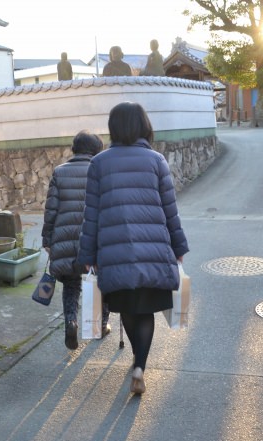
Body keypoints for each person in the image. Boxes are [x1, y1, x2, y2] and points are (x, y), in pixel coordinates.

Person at [77, 102, 189, 395]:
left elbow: (92, 214)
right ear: (143, 125)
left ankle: (136, 361)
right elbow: (170, 211)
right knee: (147, 311)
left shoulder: (98, 163)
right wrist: (178, 247)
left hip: (115, 254)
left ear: (113, 128)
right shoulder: (156, 160)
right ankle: (140, 364)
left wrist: (87, 256)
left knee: (127, 308)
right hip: (153, 252)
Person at [41, 130, 110, 350]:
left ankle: (71, 322)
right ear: (97, 149)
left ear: (74, 149)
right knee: (100, 282)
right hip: (96, 240)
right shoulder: (103, 171)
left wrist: (47, 239)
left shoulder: (59, 172)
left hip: (65, 239)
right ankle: (101, 324)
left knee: (71, 285)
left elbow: (51, 209)